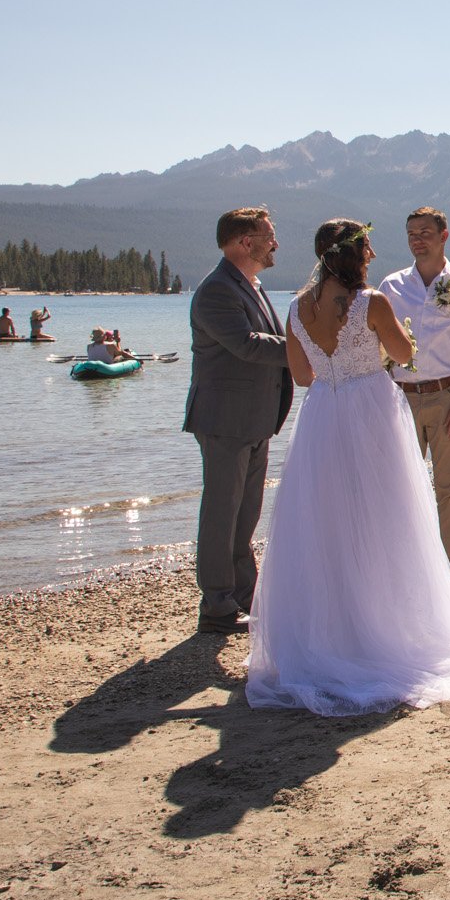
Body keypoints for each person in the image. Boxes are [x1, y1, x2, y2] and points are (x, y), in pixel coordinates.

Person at [247, 218, 450, 716]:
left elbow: (301, 373)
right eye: (368, 247)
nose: (374, 254)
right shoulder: (372, 302)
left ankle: (334, 628)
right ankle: (386, 623)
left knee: (326, 519)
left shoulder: (295, 308)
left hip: (321, 418)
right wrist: (378, 352)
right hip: (370, 412)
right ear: (353, 254)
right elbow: (403, 354)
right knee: (387, 515)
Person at [182, 207, 292, 636]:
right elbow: (247, 345)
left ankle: (246, 594)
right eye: (269, 235)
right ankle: (215, 603)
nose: (275, 243)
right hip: (224, 419)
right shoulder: (215, 291)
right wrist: (305, 349)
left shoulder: (251, 285)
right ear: (245, 242)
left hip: (254, 420)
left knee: (245, 514)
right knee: (221, 514)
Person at [379, 206, 450, 569]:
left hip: (449, 397)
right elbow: (377, 346)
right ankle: (405, 569)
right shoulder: (391, 286)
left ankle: (449, 571)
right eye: (411, 233)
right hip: (401, 399)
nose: (417, 240)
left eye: (425, 233)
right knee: (400, 490)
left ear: (444, 236)